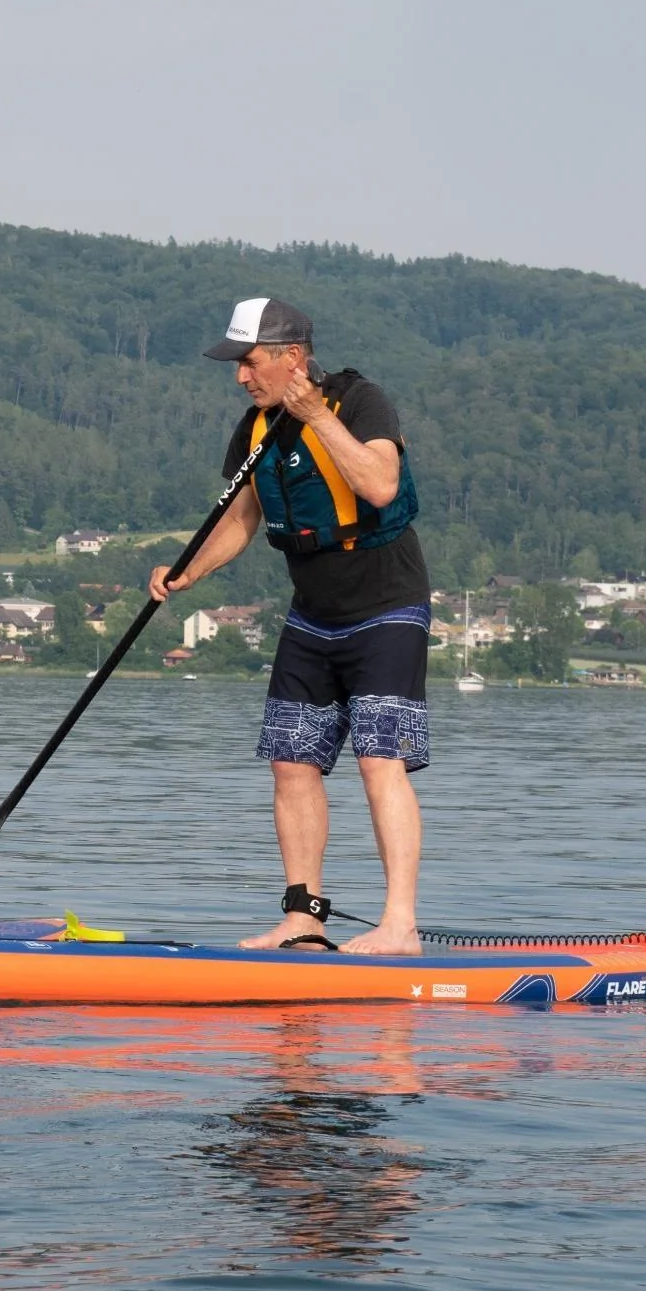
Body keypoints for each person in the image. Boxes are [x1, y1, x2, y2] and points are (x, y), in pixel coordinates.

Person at [148, 297, 430, 956]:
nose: (241, 377)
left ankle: (399, 926)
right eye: (237, 364)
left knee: (379, 759)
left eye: (248, 362)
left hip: (386, 602)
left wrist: (314, 419)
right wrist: (190, 571)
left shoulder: (361, 402)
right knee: (291, 763)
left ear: (292, 358)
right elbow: (241, 519)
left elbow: (381, 484)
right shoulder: (255, 428)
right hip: (312, 614)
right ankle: (304, 917)